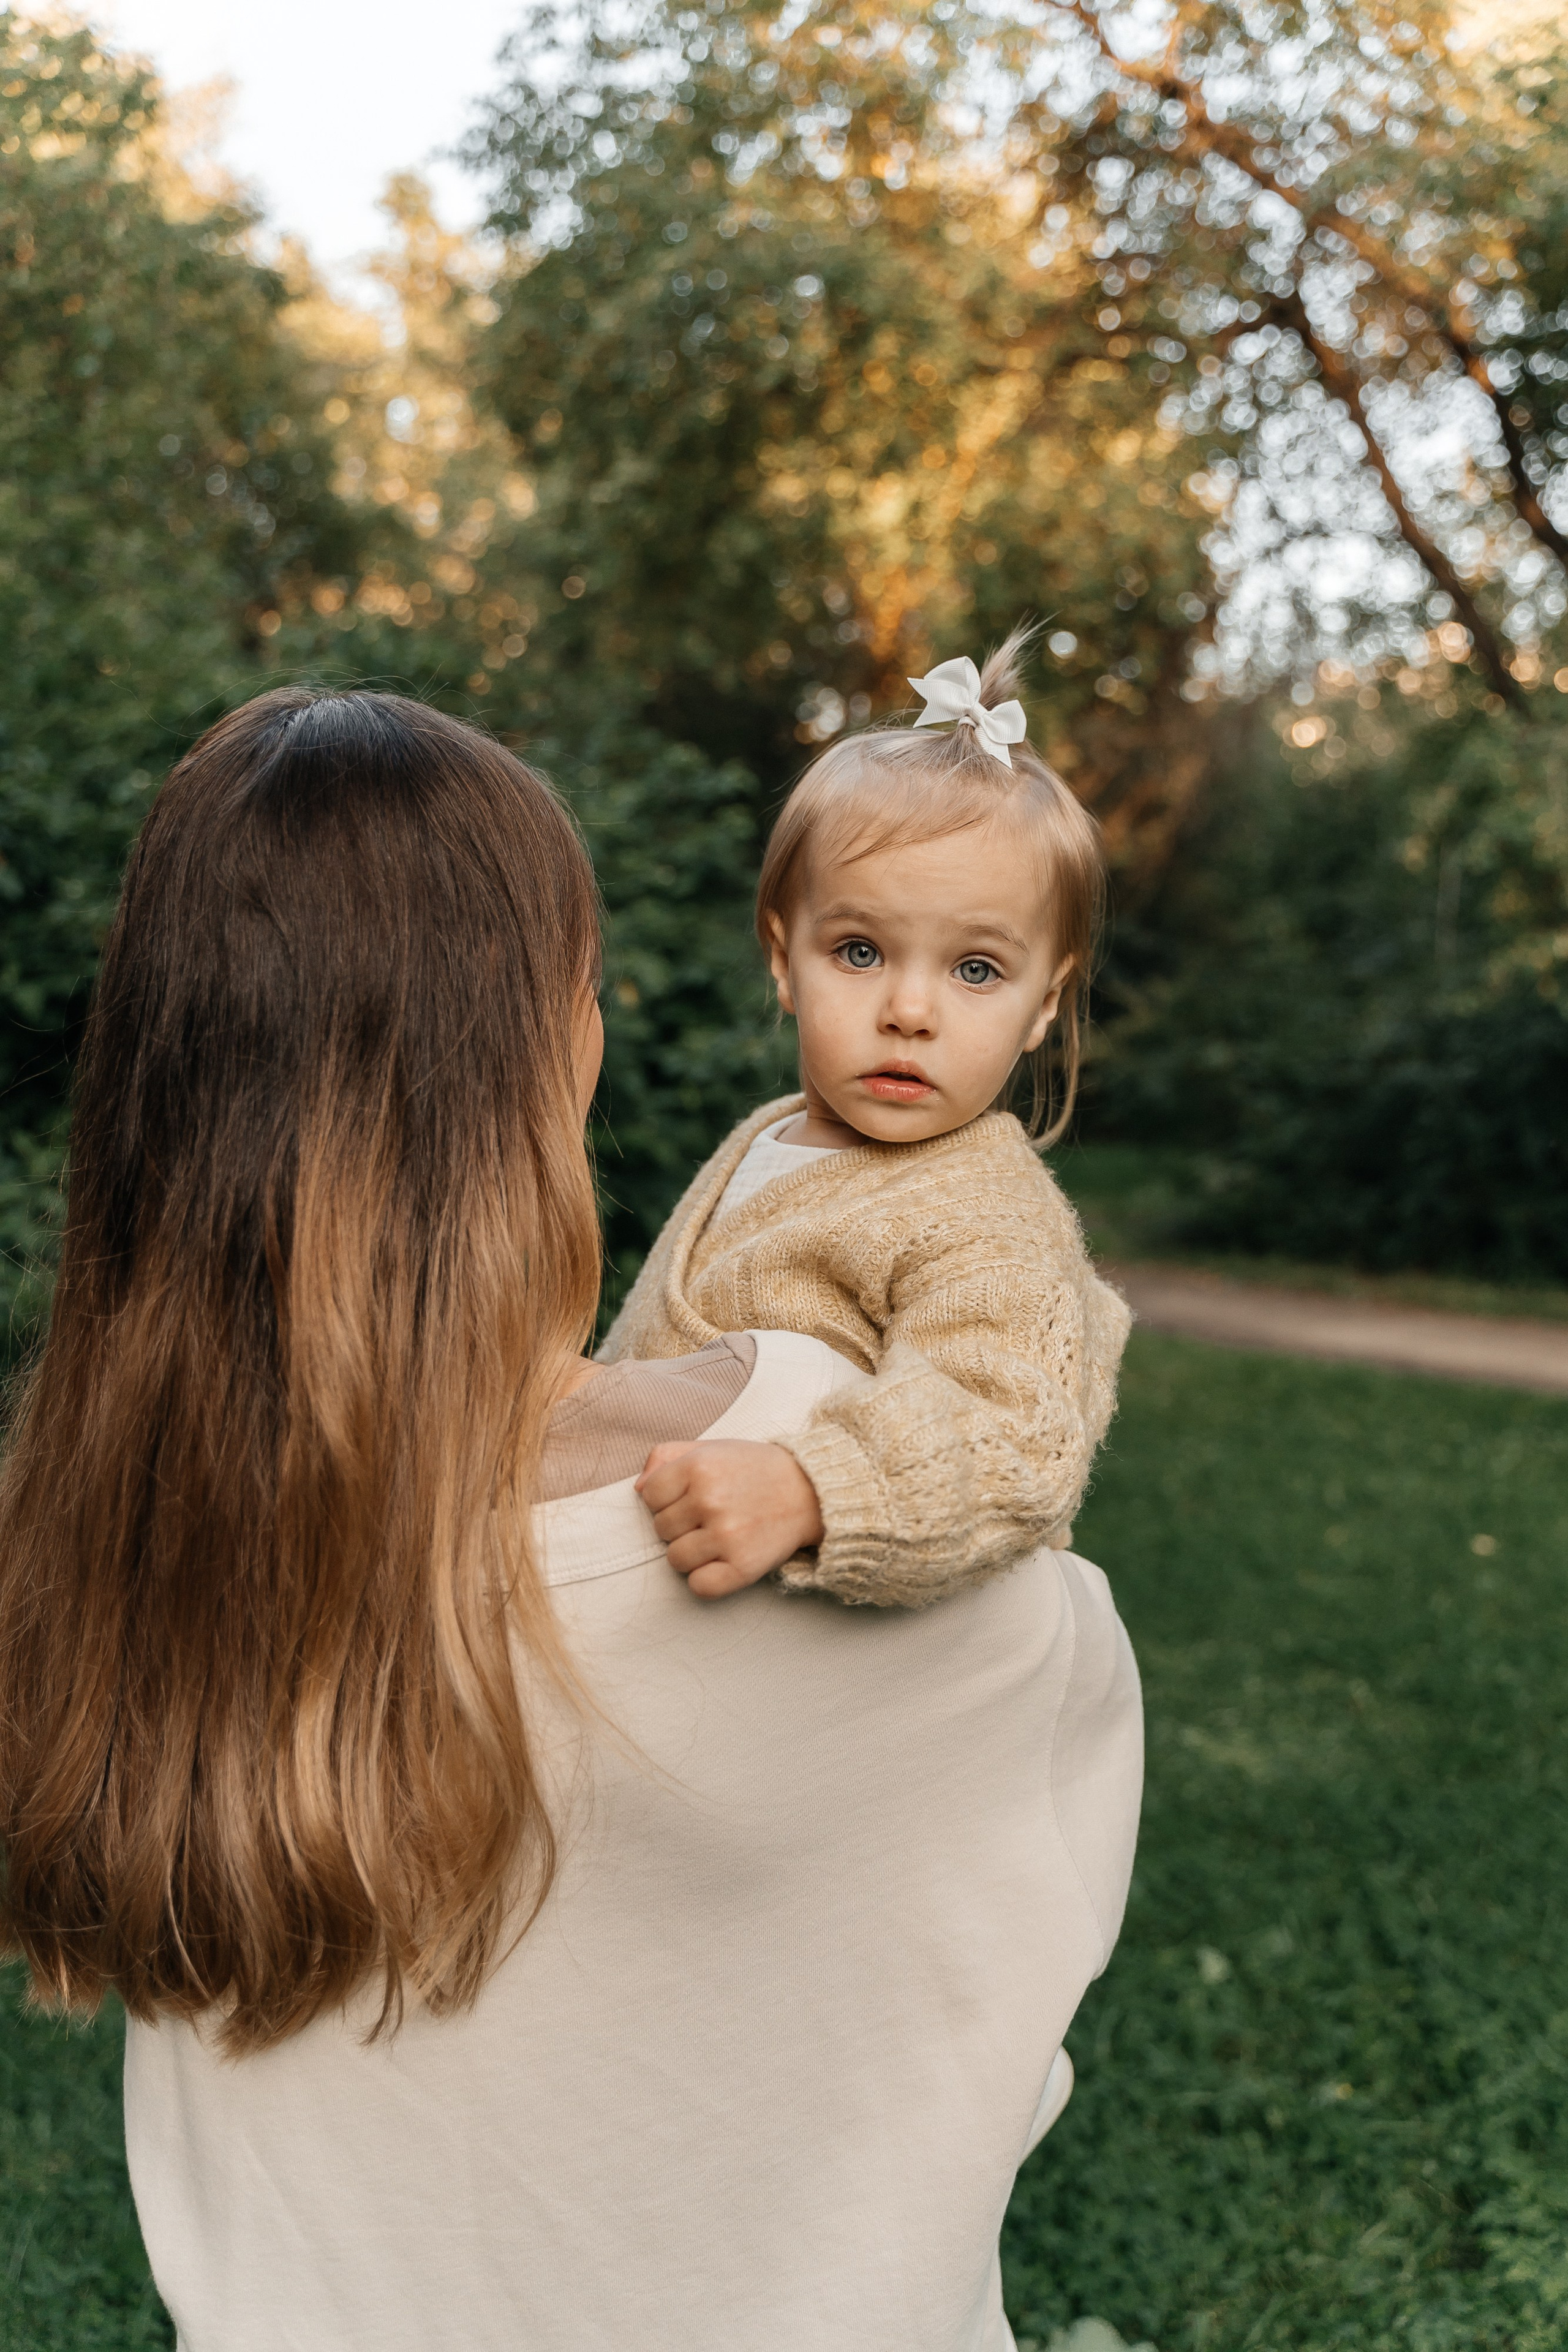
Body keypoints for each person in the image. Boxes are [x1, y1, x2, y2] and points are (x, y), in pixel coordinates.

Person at [0, 686, 1143, 2351]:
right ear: (560, 1044)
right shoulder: (777, 1472)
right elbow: (1029, 1894)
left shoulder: (116, 1552)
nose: (907, 1008)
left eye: (972, 967)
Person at [605, 628, 1133, 1609]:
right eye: (859, 951)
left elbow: (1014, 1436)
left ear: (1046, 1005)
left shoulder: (985, 1216)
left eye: (976, 969)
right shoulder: (765, 1136)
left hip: (833, 1651)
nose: (910, 1010)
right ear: (784, 958)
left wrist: (815, 1489)